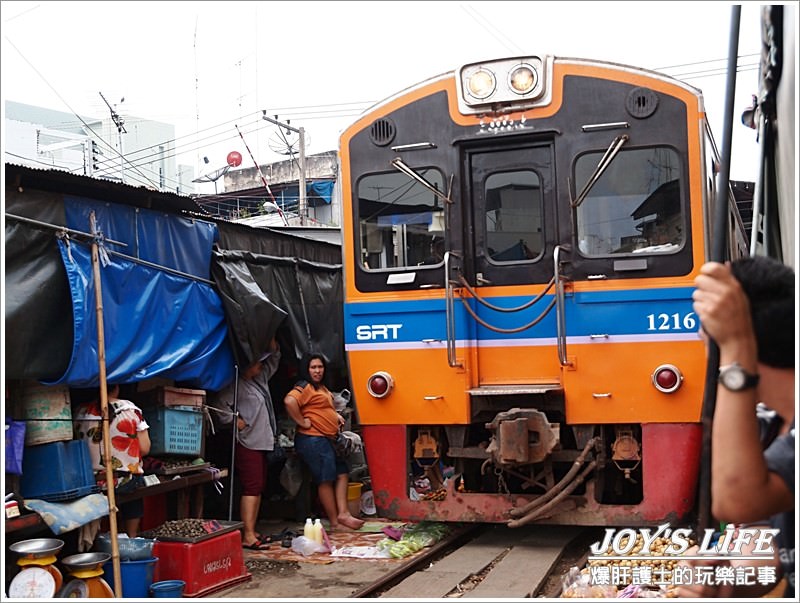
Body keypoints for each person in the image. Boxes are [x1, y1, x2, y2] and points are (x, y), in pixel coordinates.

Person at [676, 256, 795, 597]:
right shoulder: (773, 426)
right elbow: (765, 534)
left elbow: (735, 502)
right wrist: (726, 577)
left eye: (708, 347)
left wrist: (735, 352)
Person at [209, 337, 281, 549]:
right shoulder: (235, 384)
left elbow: (274, 359)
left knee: (258, 486)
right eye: (257, 363)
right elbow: (218, 407)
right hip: (248, 440)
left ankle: (252, 529)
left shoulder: (259, 380)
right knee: (251, 486)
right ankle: (248, 534)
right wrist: (235, 420)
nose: (261, 366)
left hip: (262, 440)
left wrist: (270, 337)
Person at [284, 353, 364, 530]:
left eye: (320, 367)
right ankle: (335, 521)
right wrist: (302, 421)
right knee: (325, 479)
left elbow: (321, 407)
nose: (317, 371)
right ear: (306, 369)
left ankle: (344, 513)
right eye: (313, 367)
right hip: (313, 439)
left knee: (342, 471)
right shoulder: (304, 386)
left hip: (328, 438)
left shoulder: (319, 387)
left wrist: (334, 415)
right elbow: (289, 401)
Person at [73, 383, 151, 537]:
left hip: (90, 482)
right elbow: (145, 448)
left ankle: (100, 538)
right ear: (116, 388)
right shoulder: (130, 410)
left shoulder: (80, 412)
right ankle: (131, 535)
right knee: (135, 483)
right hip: (123, 482)